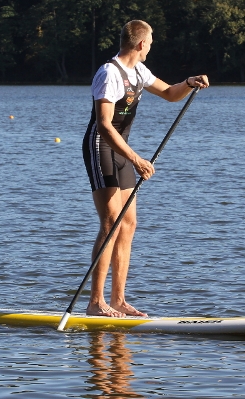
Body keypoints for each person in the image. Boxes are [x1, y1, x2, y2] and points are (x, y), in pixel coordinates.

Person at [82, 20, 209, 317]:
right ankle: (95, 302)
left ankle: (118, 300)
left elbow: (170, 93)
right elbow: (104, 126)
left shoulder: (139, 70)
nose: (151, 47)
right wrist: (137, 159)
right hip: (101, 147)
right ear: (141, 44)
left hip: (122, 150)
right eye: (150, 42)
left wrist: (189, 83)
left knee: (128, 223)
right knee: (111, 222)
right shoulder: (109, 73)